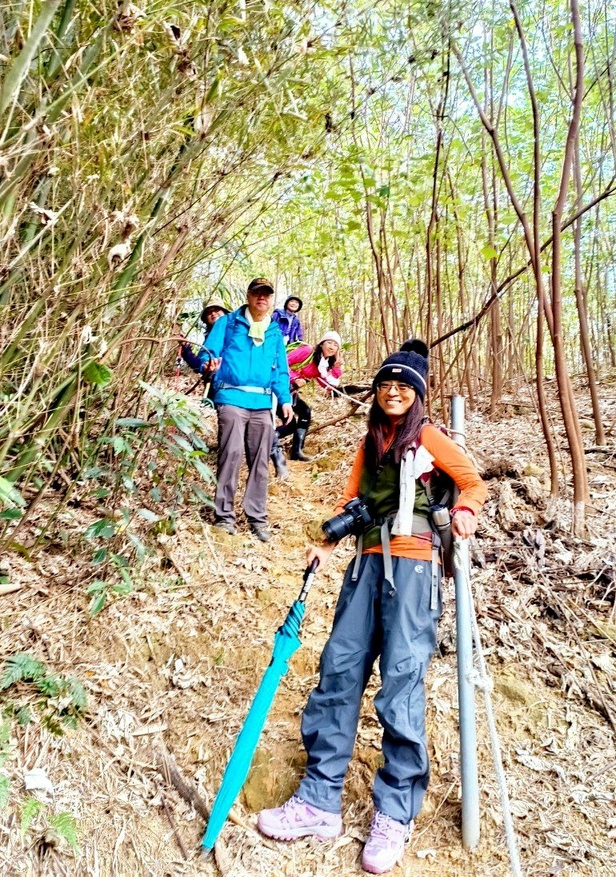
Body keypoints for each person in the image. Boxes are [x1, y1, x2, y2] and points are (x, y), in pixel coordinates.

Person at [257, 344, 487, 873]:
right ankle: (319, 800)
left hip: (415, 569)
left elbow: (472, 480)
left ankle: (394, 814)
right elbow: (350, 501)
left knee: (401, 682)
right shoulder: (371, 442)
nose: (394, 391)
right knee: (339, 670)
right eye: (386, 384)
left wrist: (466, 511)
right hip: (365, 565)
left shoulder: (430, 439)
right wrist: (327, 542)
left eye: (404, 385)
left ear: (419, 395)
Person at [199, 279, 293, 542]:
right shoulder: (227, 323)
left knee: (260, 460)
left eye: (266, 295)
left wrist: (284, 400)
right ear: (249, 296)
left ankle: (257, 517)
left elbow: (281, 371)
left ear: (272, 300)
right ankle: (224, 516)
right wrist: (208, 365)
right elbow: (207, 353)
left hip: (262, 403)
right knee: (231, 453)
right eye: (257, 294)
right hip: (230, 395)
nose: (261, 299)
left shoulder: (274, 332)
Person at [270, 331, 343, 477]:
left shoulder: (323, 364)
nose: (332, 347)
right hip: (276, 389)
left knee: (305, 412)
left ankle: (296, 451)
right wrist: (295, 378)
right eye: (329, 342)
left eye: (335, 345)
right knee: (290, 424)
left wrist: (336, 367)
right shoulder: (307, 351)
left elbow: (327, 385)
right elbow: (281, 363)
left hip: (290, 393)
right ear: (322, 343)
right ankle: (267, 440)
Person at [179, 301, 228, 375]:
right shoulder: (209, 340)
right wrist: (185, 347)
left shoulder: (237, 331)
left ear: (224, 312)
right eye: (209, 312)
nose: (213, 313)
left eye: (216, 309)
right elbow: (198, 366)